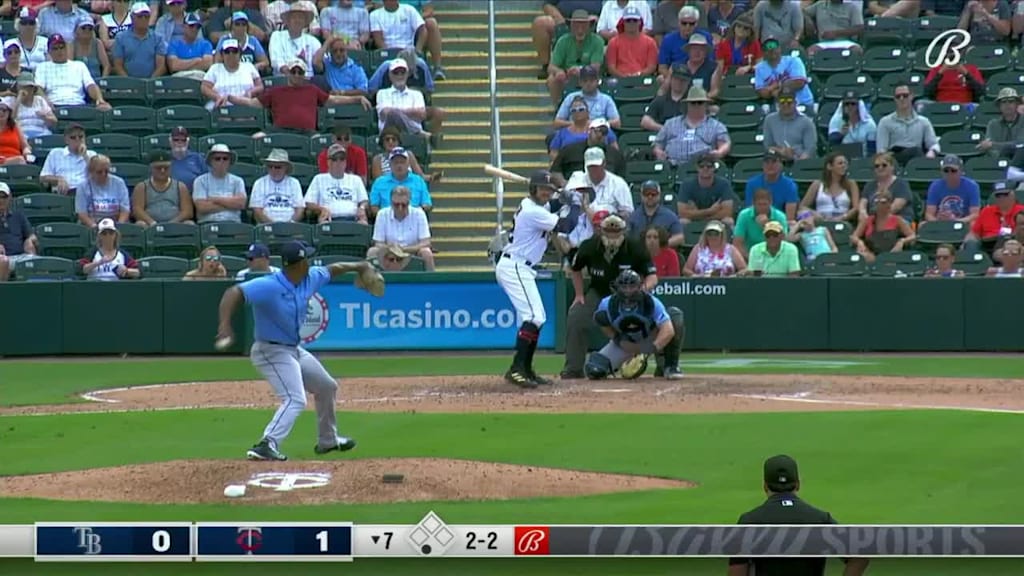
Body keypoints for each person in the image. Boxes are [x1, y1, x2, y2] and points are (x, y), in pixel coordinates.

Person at [216, 240, 370, 461]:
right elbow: (234, 292)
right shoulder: (270, 285)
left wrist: (360, 266)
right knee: (295, 398)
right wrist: (224, 325)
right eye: (306, 258)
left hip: (293, 349)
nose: (310, 261)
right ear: (299, 264)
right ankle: (267, 443)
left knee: (326, 386)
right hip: (270, 351)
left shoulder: (309, 278)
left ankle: (327, 441)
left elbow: (333, 269)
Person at [495, 169, 576, 388]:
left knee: (534, 317)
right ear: (533, 189)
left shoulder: (537, 206)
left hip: (521, 267)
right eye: (543, 189)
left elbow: (554, 207)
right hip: (515, 266)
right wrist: (575, 204)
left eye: (549, 190)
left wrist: (563, 196)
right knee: (534, 317)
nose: (547, 194)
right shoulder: (532, 211)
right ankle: (517, 369)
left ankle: (525, 369)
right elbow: (566, 225)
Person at [728, 454, 870, 576]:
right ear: (797, 484)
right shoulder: (820, 519)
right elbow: (859, 556)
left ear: (765, 486)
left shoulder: (749, 521)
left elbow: (737, 571)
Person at [561, 214, 657, 379]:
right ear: (600, 230)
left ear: (624, 230)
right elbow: (574, 268)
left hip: (629, 295)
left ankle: (664, 366)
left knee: (657, 319)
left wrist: (642, 290)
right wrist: (578, 294)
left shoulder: (635, 247)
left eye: (616, 231)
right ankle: (573, 368)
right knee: (577, 316)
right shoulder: (589, 246)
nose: (612, 236)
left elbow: (652, 276)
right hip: (599, 290)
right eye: (608, 231)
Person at [584, 269, 685, 380]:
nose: (628, 291)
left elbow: (668, 330)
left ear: (639, 287)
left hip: (650, 339)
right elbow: (602, 322)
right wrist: (618, 339)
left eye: (632, 286)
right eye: (624, 287)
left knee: (675, 316)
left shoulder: (651, 302)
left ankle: (671, 366)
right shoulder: (608, 304)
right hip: (626, 343)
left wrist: (648, 350)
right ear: (618, 287)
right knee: (595, 369)